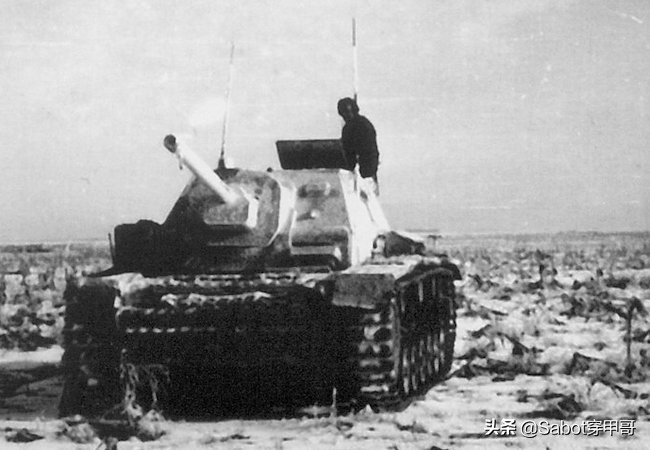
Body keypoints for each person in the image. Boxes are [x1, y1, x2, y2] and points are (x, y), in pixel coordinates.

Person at [337, 97, 379, 190]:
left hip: (366, 169)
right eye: (343, 113)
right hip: (359, 169)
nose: (346, 116)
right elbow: (347, 151)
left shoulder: (363, 125)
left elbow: (370, 150)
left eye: (348, 112)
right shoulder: (348, 128)